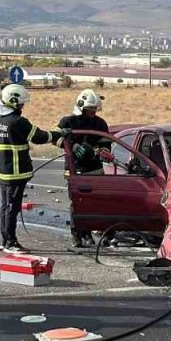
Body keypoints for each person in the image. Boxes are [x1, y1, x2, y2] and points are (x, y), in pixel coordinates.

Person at [0, 84, 65, 253]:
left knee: (6, 206)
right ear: (13, 102)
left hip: (5, 172)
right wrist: (59, 133)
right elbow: (40, 137)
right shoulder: (18, 122)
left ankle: (6, 240)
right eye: (21, 104)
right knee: (12, 207)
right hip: (16, 173)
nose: (22, 107)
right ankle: (10, 242)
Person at [54, 89, 115, 247]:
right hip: (74, 168)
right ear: (81, 107)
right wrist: (72, 146)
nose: (93, 112)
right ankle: (78, 235)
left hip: (95, 168)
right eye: (90, 109)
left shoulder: (100, 123)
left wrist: (101, 152)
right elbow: (55, 138)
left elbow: (106, 145)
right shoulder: (68, 122)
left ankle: (90, 233)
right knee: (77, 203)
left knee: (94, 203)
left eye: (95, 109)